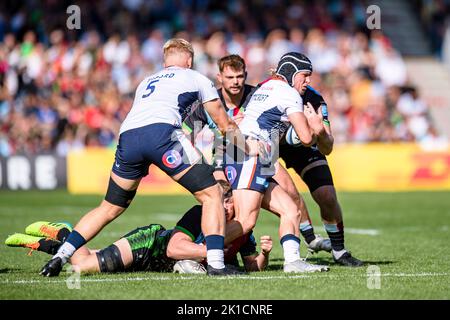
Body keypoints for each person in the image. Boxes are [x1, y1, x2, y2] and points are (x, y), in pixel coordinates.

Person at [39, 39, 253, 277]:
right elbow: (225, 124)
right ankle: (216, 264)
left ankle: (61, 256)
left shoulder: (146, 81)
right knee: (212, 194)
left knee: (109, 207)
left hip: (128, 137)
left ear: (165, 62)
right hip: (162, 135)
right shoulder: (196, 78)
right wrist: (248, 148)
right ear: (189, 60)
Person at [184, 54, 332, 256]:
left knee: (290, 195)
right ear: (220, 78)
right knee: (232, 208)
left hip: (259, 151)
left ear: (245, 75)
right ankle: (203, 252)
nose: (235, 82)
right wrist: (206, 161)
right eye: (230, 77)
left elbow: (273, 128)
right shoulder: (211, 103)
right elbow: (188, 135)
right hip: (228, 153)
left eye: (239, 76)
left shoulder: (256, 93)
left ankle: (305, 244)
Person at [6, 182, 272, 274]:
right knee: (82, 266)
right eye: (222, 204)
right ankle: (63, 231)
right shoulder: (199, 214)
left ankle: (40, 244)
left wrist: (265, 255)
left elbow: (251, 266)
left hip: (155, 266)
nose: (225, 210)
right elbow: (173, 247)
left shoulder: (241, 230)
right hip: (148, 244)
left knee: (84, 260)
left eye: (229, 204)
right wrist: (207, 251)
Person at [222, 52, 330, 273]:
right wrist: (315, 126)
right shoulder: (288, 93)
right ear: (291, 73)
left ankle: (293, 262)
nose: (308, 81)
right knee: (246, 220)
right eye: (305, 75)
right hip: (248, 154)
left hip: (249, 153)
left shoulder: (266, 87)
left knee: (291, 209)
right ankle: (198, 251)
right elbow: (307, 138)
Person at [279, 85, 364, 266]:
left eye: (309, 74)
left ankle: (339, 252)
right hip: (269, 145)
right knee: (289, 192)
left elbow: (327, 148)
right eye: (304, 75)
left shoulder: (314, 98)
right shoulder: (267, 90)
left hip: (304, 146)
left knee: (326, 194)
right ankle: (310, 238)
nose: (308, 80)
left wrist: (320, 131)